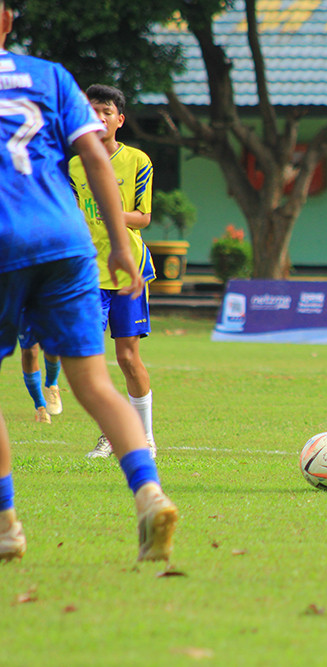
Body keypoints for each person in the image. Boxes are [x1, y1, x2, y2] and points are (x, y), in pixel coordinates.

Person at [0, 0, 177, 562]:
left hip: (4, 237)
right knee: (94, 380)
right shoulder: (51, 77)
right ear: (8, 21)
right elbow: (97, 161)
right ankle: (149, 494)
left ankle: (6, 523)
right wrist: (123, 251)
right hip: (67, 243)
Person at [67, 84, 158, 458]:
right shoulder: (73, 163)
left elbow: (144, 217)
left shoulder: (137, 160)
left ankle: (146, 438)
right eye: (93, 110)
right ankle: (111, 435)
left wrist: (109, 212)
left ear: (119, 120)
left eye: (106, 111)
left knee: (127, 358)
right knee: (91, 359)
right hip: (88, 274)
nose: (99, 116)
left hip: (127, 272)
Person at [18, 324, 63, 423]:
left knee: (52, 346)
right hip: (24, 310)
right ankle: (40, 406)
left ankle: (51, 385)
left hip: (50, 309)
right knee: (29, 352)